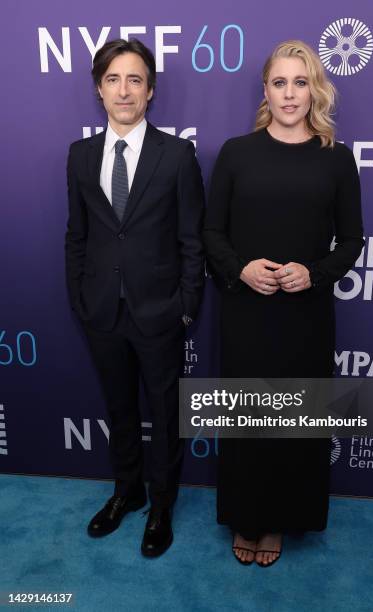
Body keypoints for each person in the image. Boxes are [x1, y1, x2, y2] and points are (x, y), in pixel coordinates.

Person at [203, 40, 364, 567]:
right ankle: (247, 516)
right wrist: (241, 268)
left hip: (305, 314)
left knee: (294, 422)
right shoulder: (235, 152)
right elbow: (211, 231)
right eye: (279, 83)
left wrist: (313, 274)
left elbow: (352, 241)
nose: (289, 94)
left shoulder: (336, 159)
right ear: (265, 90)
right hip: (247, 310)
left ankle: (278, 521)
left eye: (300, 82)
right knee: (249, 420)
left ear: (313, 89)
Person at [65, 38, 205, 557]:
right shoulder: (80, 157)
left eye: (135, 80)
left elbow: (192, 240)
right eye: (113, 80)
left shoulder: (177, 155)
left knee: (165, 414)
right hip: (101, 311)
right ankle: (127, 491)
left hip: (160, 312)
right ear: (99, 90)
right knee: (119, 409)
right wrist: (79, 299)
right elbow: (76, 236)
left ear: (150, 91)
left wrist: (186, 306)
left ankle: (162, 506)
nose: (124, 90)